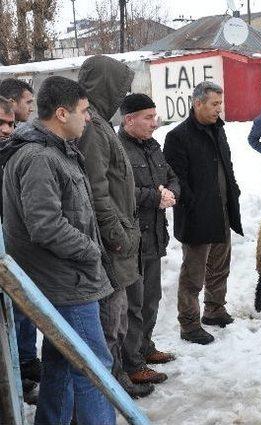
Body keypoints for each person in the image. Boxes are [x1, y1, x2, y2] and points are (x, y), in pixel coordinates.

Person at [0, 75, 116, 425]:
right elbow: (45, 225)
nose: (89, 118)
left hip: (66, 278)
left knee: (62, 362)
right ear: (62, 113)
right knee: (93, 368)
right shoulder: (38, 157)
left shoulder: (52, 151)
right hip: (67, 283)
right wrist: (90, 250)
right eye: (84, 110)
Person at [77, 55, 151, 398]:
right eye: (120, 87)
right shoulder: (92, 128)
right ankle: (111, 384)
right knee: (111, 317)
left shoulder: (101, 124)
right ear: (105, 85)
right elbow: (96, 189)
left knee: (119, 314)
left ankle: (117, 375)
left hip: (121, 234)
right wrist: (116, 232)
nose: (124, 95)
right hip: (113, 240)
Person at [164, 82, 243, 345]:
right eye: (214, 104)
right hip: (197, 216)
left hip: (221, 211)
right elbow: (176, 179)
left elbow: (227, 164)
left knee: (220, 267)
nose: (218, 109)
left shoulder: (218, 129)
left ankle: (215, 309)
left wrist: (234, 191)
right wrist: (194, 205)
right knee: (193, 274)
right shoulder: (178, 136)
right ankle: (189, 324)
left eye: (220, 104)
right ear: (198, 103)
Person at [119, 94, 179, 386]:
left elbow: (172, 176)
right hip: (131, 240)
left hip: (154, 236)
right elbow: (120, 192)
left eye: (155, 117)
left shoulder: (153, 146)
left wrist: (170, 192)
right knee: (133, 302)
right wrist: (155, 196)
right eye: (148, 117)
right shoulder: (118, 149)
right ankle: (131, 363)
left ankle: (145, 347)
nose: (155, 123)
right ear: (129, 119)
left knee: (151, 298)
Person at [0, 80, 41, 387]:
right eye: (1, 123)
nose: (7, 130)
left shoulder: (11, 153)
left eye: (9, 124)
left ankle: (23, 366)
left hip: (13, 246)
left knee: (21, 308)